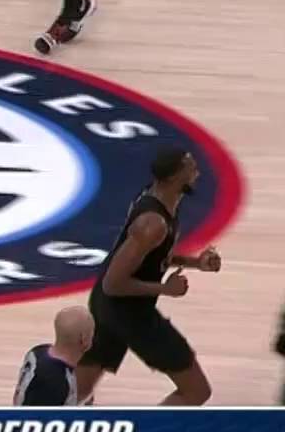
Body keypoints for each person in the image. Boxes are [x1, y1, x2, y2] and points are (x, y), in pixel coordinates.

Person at [77, 147, 222, 410]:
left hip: (108, 307)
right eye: (191, 168)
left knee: (79, 390)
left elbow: (152, 256)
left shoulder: (160, 201)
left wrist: (196, 263)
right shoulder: (153, 223)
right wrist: (166, 288)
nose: (197, 172)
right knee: (197, 391)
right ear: (175, 177)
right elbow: (114, 284)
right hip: (128, 313)